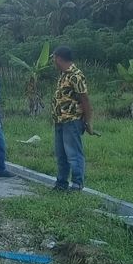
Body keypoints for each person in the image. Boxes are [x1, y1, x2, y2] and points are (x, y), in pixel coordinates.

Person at [51, 45, 93, 191]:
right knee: (61, 155)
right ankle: (61, 183)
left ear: (58, 58)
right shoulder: (63, 75)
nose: (53, 62)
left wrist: (87, 121)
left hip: (72, 120)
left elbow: (85, 99)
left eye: (54, 59)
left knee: (73, 154)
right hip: (60, 120)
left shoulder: (76, 75)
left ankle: (77, 183)